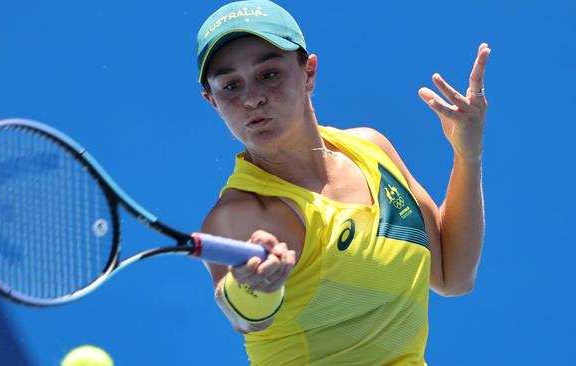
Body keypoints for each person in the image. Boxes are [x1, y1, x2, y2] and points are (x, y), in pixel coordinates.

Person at [197, 1, 489, 365]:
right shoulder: (242, 215)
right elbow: (243, 314)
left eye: (268, 74)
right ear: (212, 101)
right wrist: (253, 288)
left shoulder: (371, 149)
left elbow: (453, 276)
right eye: (230, 86)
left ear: (309, 73)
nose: (252, 98)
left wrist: (468, 155)